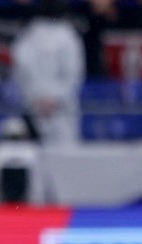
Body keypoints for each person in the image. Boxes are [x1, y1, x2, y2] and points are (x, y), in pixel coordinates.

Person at [10, 0, 85, 146]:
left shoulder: (67, 36)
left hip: (61, 111)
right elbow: (20, 72)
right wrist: (37, 100)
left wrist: (49, 100)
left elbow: (73, 76)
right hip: (34, 110)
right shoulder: (29, 36)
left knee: (63, 151)